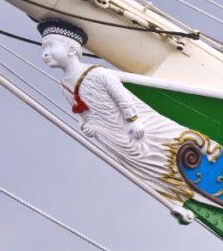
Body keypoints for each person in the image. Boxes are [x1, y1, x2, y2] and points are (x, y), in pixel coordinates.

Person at [39, 18, 200, 215]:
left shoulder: (98, 74)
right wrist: (86, 125)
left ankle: (187, 179)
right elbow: (81, 112)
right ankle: (173, 194)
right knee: (138, 166)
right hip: (110, 136)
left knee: (157, 152)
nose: (44, 53)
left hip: (130, 128)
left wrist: (133, 120)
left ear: (72, 49)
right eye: (42, 47)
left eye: (50, 45)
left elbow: (122, 97)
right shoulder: (64, 86)